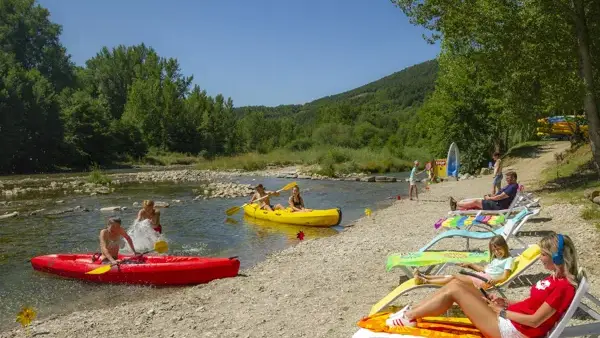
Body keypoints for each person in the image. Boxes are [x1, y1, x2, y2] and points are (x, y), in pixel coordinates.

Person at [385, 233, 578, 338]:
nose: (540, 257)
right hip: (510, 319)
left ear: (557, 257)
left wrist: (500, 313)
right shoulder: (554, 279)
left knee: (454, 290)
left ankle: (408, 317)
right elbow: (532, 305)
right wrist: (506, 302)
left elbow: (536, 321)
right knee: (457, 282)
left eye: (543, 254)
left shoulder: (563, 287)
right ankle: (413, 311)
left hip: (512, 331)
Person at [414, 235, 514, 289]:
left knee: (455, 278)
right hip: (482, 277)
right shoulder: (496, 259)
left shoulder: (508, 260)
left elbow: (505, 276)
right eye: (494, 251)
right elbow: (484, 270)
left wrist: (496, 281)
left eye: (499, 249)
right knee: (452, 276)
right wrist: (470, 265)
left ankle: (424, 281)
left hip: (486, 281)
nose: (497, 252)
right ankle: (424, 276)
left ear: (505, 246)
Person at [451, 171, 519, 211]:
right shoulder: (512, 185)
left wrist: (489, 198)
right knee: (477, 202)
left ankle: (456, 204)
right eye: (506, 178)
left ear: (513, 178)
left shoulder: (512, 187)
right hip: (496, 203)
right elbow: (500, 196)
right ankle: (458, 206)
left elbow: (500, 197)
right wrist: (492, 196)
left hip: (498, 206)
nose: (506, 180)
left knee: (476, 202)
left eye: (508, 178)